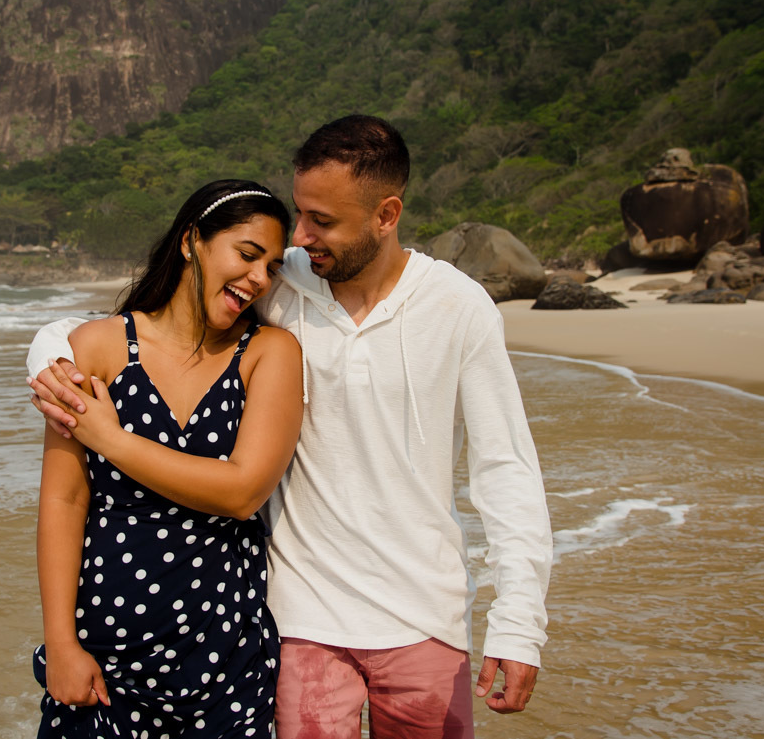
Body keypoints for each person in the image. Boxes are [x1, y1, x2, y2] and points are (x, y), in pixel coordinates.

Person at [28, 116, 553, 738]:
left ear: (386, 215)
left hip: (425, 619)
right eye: (300, 214)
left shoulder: (457, 308)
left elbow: (506, 471)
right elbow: (125, 327)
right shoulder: (284, 285)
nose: (302, 238)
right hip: (301, 621)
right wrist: (49, 359)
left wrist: (519, 624)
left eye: (321, 222)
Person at [30, 179, 304, 737]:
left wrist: (111, 439)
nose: (258, 278)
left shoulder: (268, 354)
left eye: (272, 268)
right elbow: (65, 498)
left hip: (226, 662)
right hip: (104, 658)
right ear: (190, 242)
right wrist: (60, 643)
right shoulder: (98, 347)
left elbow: (243, 491)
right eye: (247, 254)